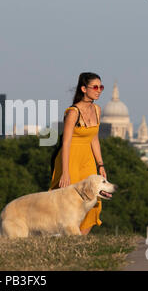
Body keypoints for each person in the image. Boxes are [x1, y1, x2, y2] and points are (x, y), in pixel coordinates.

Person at [49, 72, 106, 236]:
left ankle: (80, 239)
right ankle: (63, 237)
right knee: (69, 200)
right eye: (95, 87)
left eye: (101, 87)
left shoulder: (97, 110)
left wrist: (100, 164)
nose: (99, 90)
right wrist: (65, 172)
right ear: (83, 89)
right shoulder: (73, 112)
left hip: (87, 159)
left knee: (93, 199)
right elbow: (65, 143)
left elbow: (94, 139)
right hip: (70, 158)